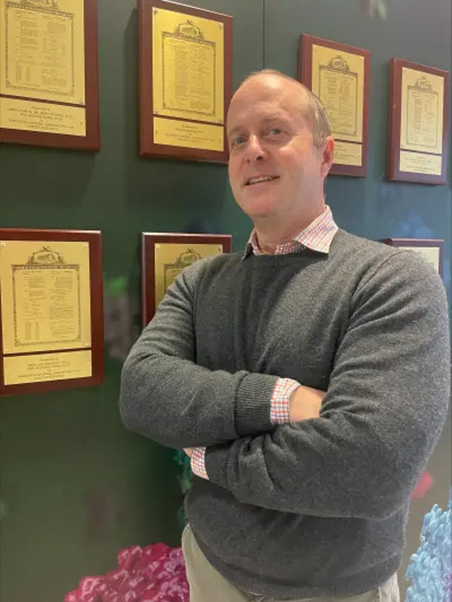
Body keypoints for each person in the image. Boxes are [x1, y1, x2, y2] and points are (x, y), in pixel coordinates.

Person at [120, 70, 450, 602]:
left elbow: (371, 467)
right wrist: (282, 399)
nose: (252, 150)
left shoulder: (392, 281)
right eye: (237, 139)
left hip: (340, 590)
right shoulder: (200, 283)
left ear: (325, 156)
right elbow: (141, 393)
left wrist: (208, 457)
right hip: (211, 568)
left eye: (274, 132)